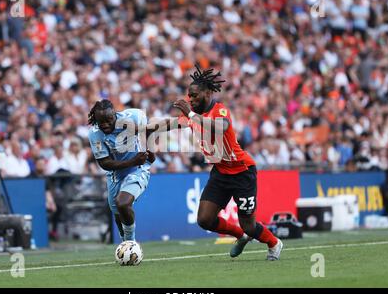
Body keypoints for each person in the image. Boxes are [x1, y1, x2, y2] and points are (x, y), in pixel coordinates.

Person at [147, 65, 283, 260]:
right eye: (189, 96)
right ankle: (240, 236)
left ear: (208, 93)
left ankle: (274, 243)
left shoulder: (220, 111)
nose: (191, 100)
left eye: (194, 96)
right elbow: (170, 123)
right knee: (205, 219)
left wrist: (192, 115)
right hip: (220, 171)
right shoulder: (191, 116)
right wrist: (142, 128)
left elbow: (221, 127)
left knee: (250, 225)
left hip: (242, 172)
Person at [87, 99, 155, 242]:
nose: (105, 124)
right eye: (101, 121)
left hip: (137, 169)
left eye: (109, 120)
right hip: (115, 175)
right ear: (95, 119)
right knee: (118, 214)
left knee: (123, 203)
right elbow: (104, 163)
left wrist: (149, 148)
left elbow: (149, 128)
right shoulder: (95, 133)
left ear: (115, 115)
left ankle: (130, 243)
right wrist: (132, 161)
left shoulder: (132, 117)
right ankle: (125, 242)